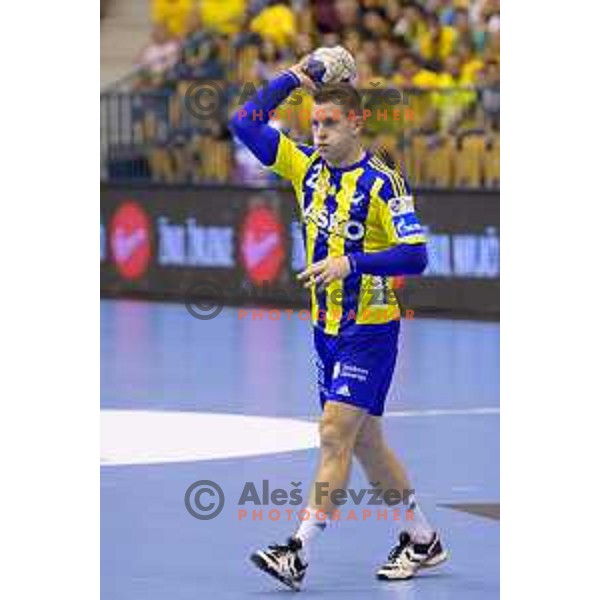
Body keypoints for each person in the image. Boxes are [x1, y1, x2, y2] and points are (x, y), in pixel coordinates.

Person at [229, 56, 447, 591]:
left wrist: (352, 262)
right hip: (325, 330)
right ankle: (422, 539)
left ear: (356, 123)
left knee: (333, 435)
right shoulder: (306, 167)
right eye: (315, 124)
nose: (320, 134)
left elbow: (415, 256)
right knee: (367, 444)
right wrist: (296, 78)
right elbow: (243, 122)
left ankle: (297, 551)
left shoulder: (383, 182)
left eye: (330, 124)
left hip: (370, 329)